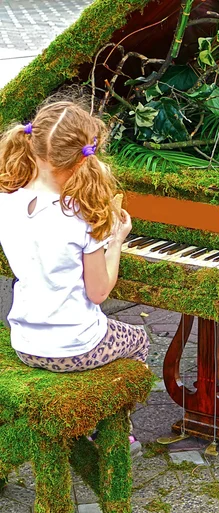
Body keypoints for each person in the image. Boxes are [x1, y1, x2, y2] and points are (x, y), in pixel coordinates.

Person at [0, 100, 149, 454]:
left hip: (25, 343)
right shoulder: (80, 216)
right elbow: (98, 292)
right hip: (75, 347)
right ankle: (109, 433)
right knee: (139, 340)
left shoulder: (6, 199)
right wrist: (116, 240)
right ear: (84, 158)